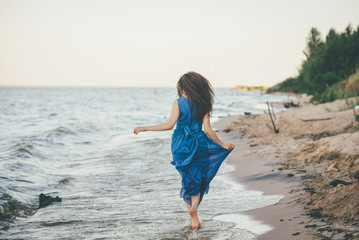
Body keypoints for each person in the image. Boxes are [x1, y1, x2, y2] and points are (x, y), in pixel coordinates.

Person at [133, 72, 234, 231]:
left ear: (184, 87)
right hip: (200, 144)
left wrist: (145, 128)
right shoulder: (204, 104)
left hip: (180, 145)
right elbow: (208, 130)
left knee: (187, 178)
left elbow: (169, 125)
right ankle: (194, 210)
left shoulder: (178, 103)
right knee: (198, 179)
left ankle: (192, 213)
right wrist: (222, 145)